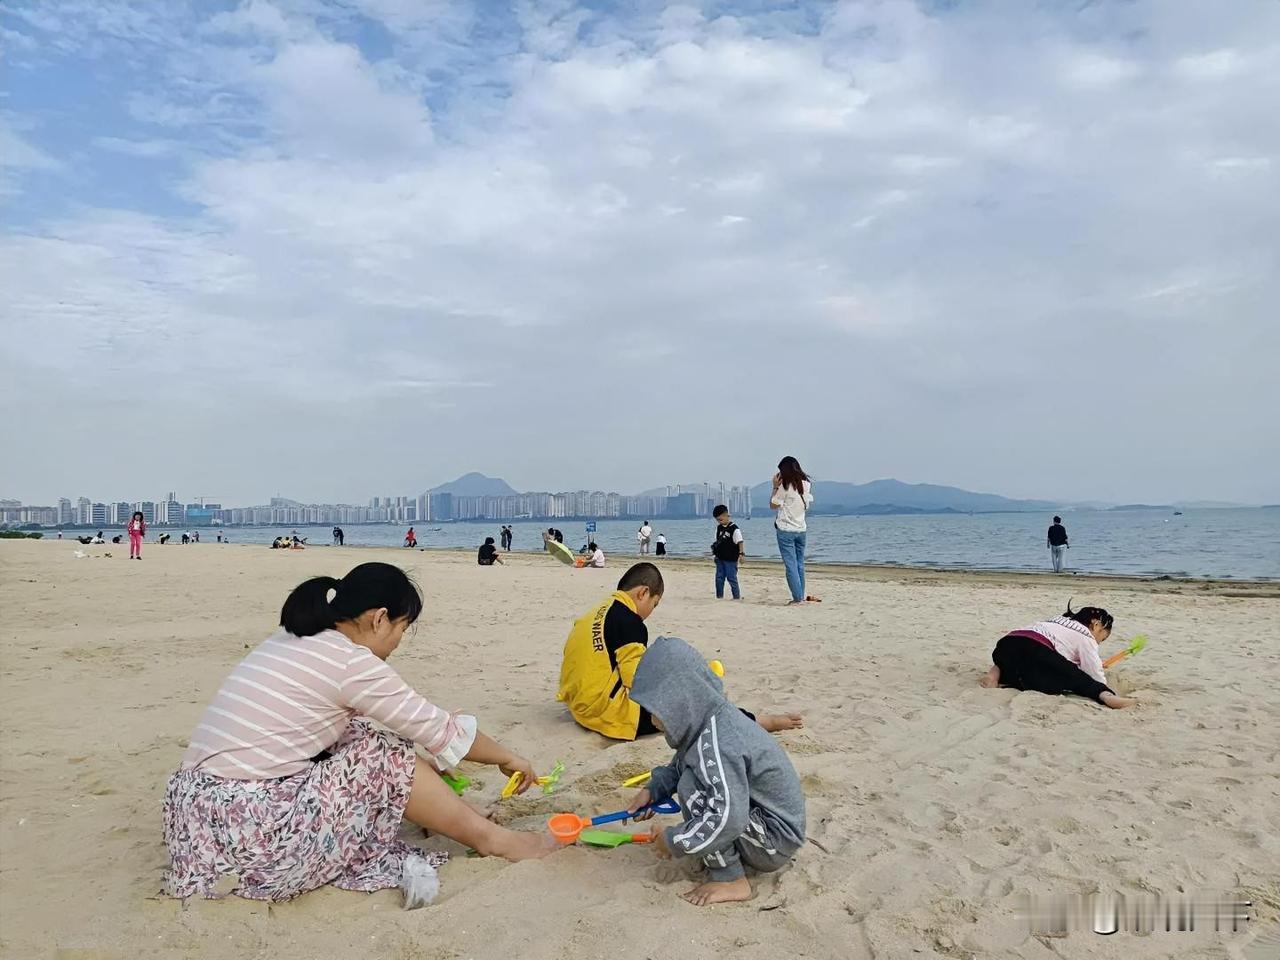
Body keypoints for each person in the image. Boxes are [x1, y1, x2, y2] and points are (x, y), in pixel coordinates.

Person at [161, 562, 555, 907]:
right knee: (383, 753)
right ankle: (491, 839)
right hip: (252, 837)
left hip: (195, 829)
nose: (399, 642)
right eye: (403, 628)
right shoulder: (349, 662)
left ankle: (449, 813)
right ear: (380, 618)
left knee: (360, 736)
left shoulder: (290, 639)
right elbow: (442, 731)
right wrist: (508, 758)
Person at [625, 637, 806, 906]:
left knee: (692, 789)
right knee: (693, 779)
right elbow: (684, 760)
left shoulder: (719, 742)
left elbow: (728, 817)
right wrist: (654, 790)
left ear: (681, 702)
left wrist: (674, 840)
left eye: (656, 711)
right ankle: (727, 861)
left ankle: (731, 878)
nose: (652, 720)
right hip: (765, 823)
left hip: (773, 842)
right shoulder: (709, 719)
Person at [557, 563, 803, 741]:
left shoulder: (596, 611)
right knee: (699, 705)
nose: (651, 611)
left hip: (577, 703)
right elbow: (639, 684)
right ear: (642, 593)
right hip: (604, 712)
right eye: (653, 604)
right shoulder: (630, 622)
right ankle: (758, 721)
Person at [979, 603, 1138, 709]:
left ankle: (994, 674)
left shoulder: (1056, 622)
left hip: (1007, 643)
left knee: (1012, 664)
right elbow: (1094, 672)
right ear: (1096, 625)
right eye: (1102, 638)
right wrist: (1101, 685)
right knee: (1074, 677)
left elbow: (1057, 652)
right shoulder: (1086, 636)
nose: (1098, 643)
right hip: (1036, 648)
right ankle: (1106, 697)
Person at [770, 456, 817, 605]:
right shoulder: (806, 484)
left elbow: (773, 505)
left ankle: (797, 598)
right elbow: (806, 506)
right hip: (801, 529)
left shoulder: (785, 486)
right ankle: (800, 596)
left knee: (790, 565)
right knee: (799, 564)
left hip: (785, 529)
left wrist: (775, 487)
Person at [711, 504, 744, 600]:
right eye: (717, 520)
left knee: (732, 578)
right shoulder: (718, 528)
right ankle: (719, 596)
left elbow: (740, 542)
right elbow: (717, 542)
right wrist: (715, 555)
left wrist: (741, 554)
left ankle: (736, 596)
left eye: (721, 519)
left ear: (727, 515)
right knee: (719, 578)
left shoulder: (734, 529)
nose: (719, 522)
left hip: (731, 559)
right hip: (720, 558)